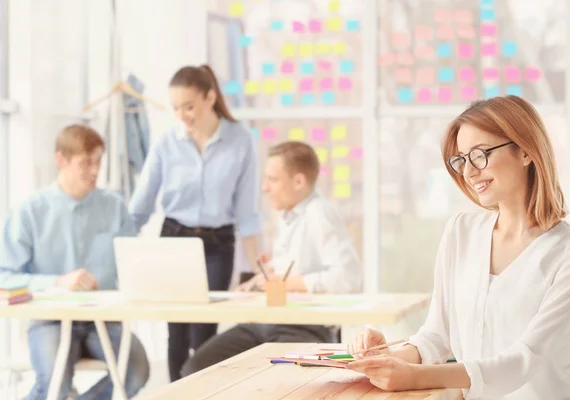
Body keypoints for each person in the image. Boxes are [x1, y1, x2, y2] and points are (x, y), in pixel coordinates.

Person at [347, 96, 570, 399]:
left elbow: (526, 358)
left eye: (480, 155)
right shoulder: (461, 231)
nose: (468, 172)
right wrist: (384, 361)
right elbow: (436, 336)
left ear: (525, 152)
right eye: (462, 160)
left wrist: (413, 377)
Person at [180, 141, 363, 377]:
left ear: (299, 182)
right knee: (197, 370)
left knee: (273, 381)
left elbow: (349, 278)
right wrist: (261, 280)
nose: (266, 188)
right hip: (267, 321)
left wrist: (286, 284)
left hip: (303, 327)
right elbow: (294, 267)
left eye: (273, 180)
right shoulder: (288, 216)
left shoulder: (319, 213)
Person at [128, 64, 261, 381]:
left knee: (204, 330)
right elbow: (141, 205)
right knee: (176, 331)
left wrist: (257, 271)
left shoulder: (240, 140)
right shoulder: (166, 143)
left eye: (189, 106)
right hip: (174, 238)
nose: (182, 114)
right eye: (176, 108)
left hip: (218, 244)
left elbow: (247, 213)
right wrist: (120, 251)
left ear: (210, 97)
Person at [0, 125, 149, 400]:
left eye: (98, 161)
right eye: (86, 163)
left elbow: (135, 264)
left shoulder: (114, 207)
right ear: (61, 160)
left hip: (102, 320)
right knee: (54, 385)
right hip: (50, 321)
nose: (95, 171)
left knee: (137, 370)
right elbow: (4, 276)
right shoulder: (31, 211)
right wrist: (57, 282)